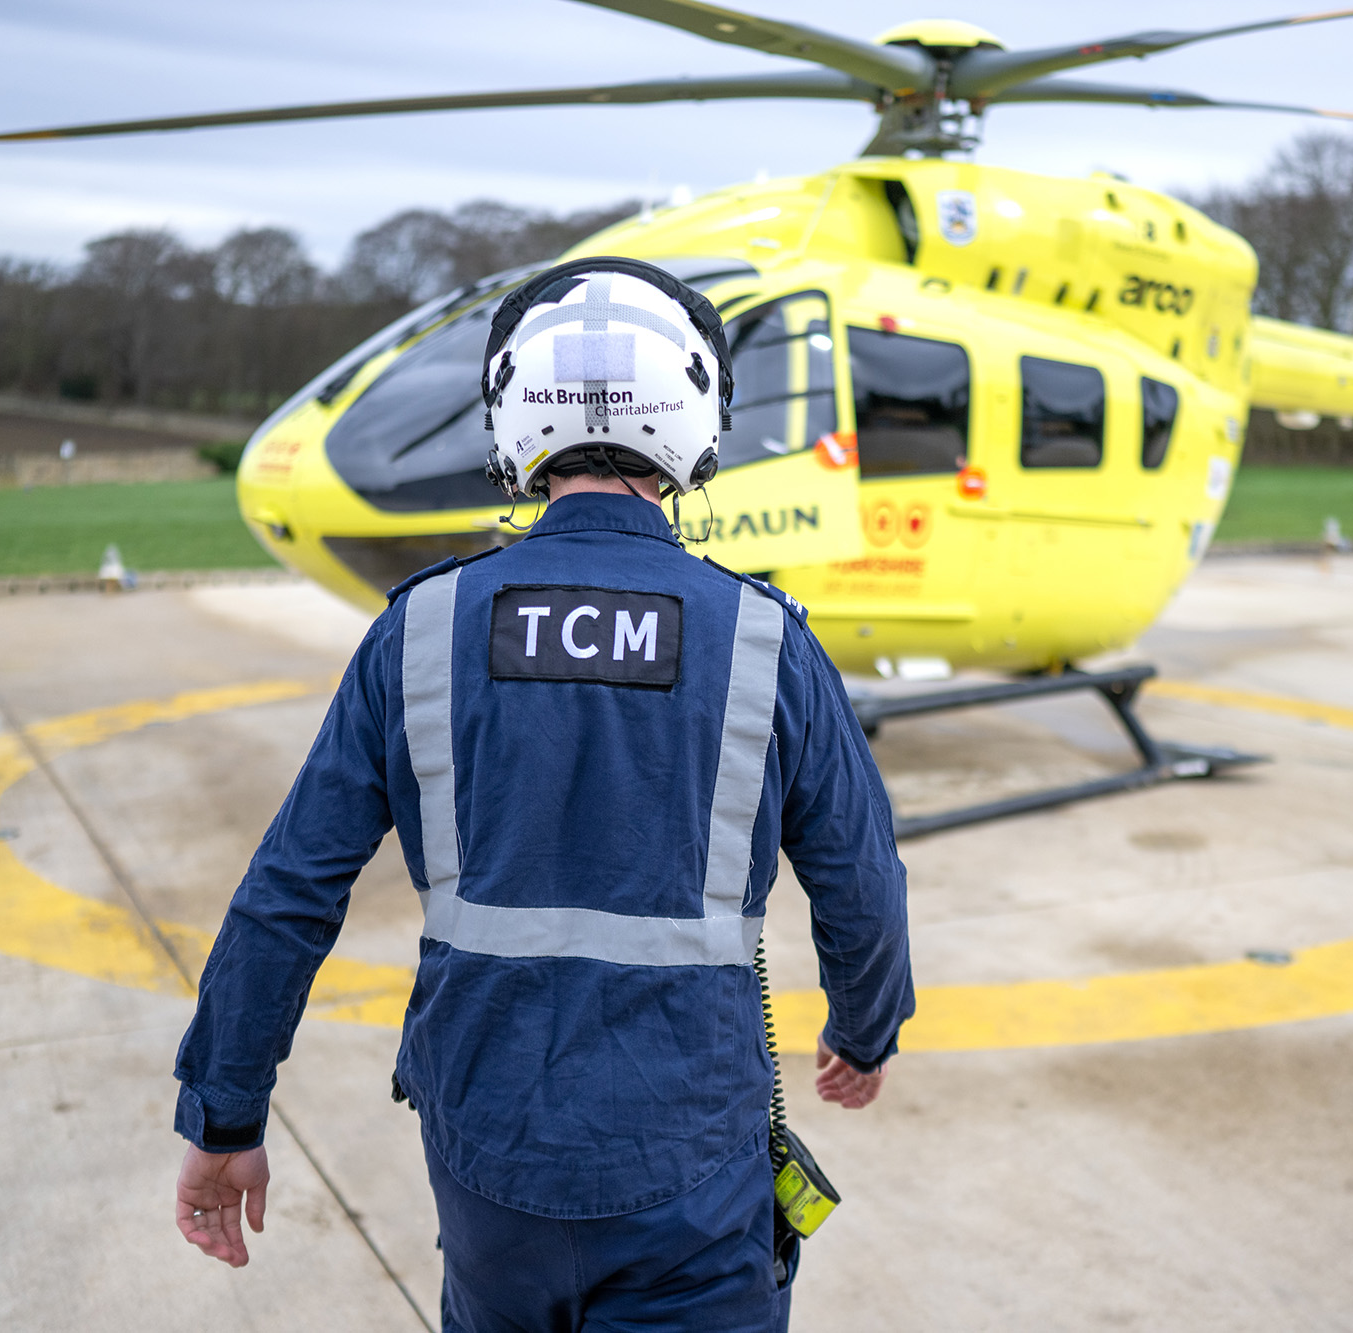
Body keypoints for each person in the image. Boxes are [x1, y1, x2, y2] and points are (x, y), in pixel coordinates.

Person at [171, 257, 915, 1332]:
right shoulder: (764, 639)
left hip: (488, 1152)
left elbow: (289, 890)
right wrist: (864, 1025)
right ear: (694, 419)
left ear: (511, 417)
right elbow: (861, 880)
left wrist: (224, 1111)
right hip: (690, 1157)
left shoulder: (417, 630)